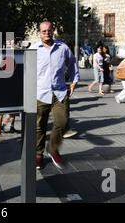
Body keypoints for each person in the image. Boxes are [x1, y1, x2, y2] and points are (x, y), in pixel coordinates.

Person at [30, 21, 79, 170]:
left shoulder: (62, 48)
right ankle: (38, 154)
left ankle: (52, 148)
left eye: (49, 30)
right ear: (39, 32)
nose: (46, 33)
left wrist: (74, 80)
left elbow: (72, 63)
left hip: (59, 92)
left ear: (53, 31)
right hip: (40, 92)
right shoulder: (33, 49)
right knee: (39, 126)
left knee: (63, 122)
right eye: (43, 31)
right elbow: (27, 70)